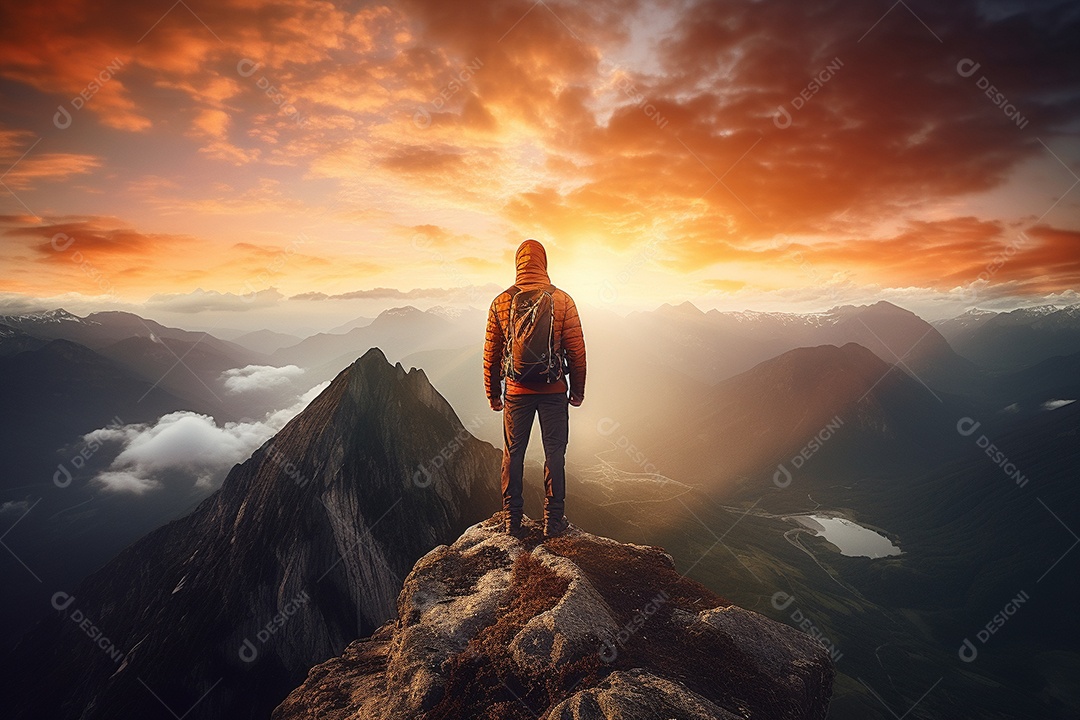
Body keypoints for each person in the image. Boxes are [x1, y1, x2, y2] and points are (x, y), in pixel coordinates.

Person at [483, 239, 586, 539]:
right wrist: (576, 392)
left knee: (513, 454)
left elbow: (491, 352)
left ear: (518, 264)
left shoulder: (501, 302)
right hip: (553, 390)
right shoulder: (563, 300)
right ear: (544, 262)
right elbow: (576, 350)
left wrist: (493, 393)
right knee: (555, 453)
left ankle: (511, 520)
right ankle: (553, 521)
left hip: (516, 392)